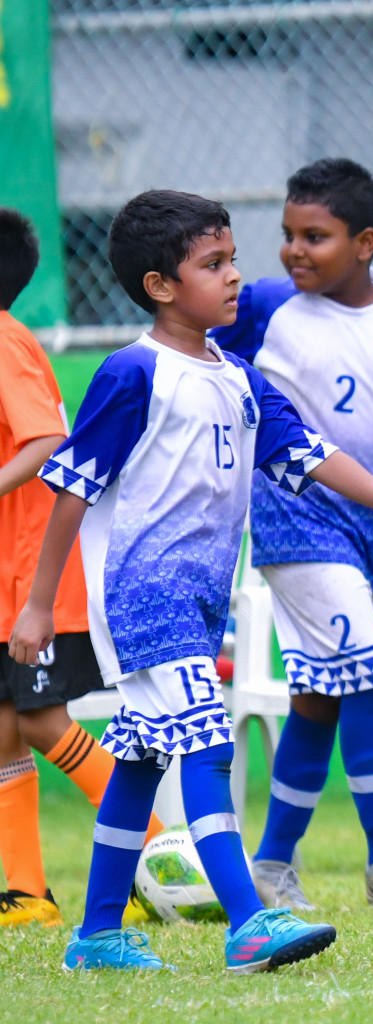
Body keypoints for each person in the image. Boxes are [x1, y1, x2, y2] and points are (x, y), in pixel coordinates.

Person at [7, 190, 373, 972]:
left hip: (201, 598)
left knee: (142, 759)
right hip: (146, 596)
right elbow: (72, 487)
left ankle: (98, 935)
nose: (236, 276)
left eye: (232, 259)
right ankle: (250, 920)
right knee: (208, 746)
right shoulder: (132, 374)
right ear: (161, 286)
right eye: (213, 265)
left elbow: (312, 452)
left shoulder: (239, 379)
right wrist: (40, 604)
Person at [211, 158, 373, 911]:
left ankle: (271, 864)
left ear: (364, 241)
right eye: (288, 234)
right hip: (294, 522)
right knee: (368, 668)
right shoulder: (263, 308)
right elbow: (189, 325)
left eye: (315, 237)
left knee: (322, 695)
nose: (295, 251)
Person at [0, 208, 164, 929]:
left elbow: (44, 440)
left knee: (39, 721)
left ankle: (160, 857)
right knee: (5, 728)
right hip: (8, 574)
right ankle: (29, 893)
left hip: (36, 575)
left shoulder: (2, 339)